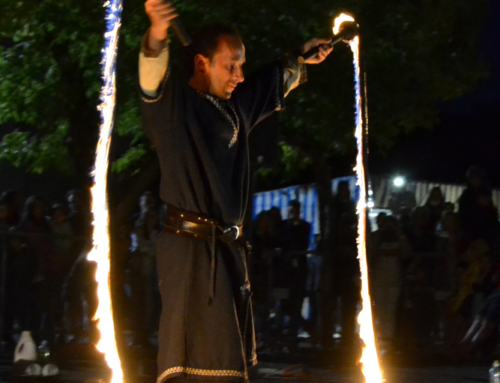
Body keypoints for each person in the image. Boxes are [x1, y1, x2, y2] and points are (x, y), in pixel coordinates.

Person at [139, 1, 334, 381]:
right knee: (200, 365)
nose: (239, 75)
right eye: (231, 65)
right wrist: (158, 32)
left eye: (241, 65)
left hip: (226, 251)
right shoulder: (174, 107)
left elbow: (270, 80)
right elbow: (151, 78)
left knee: (231, 362)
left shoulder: (235, 108)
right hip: (190, 253)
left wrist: (301, 56)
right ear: (201, 64)